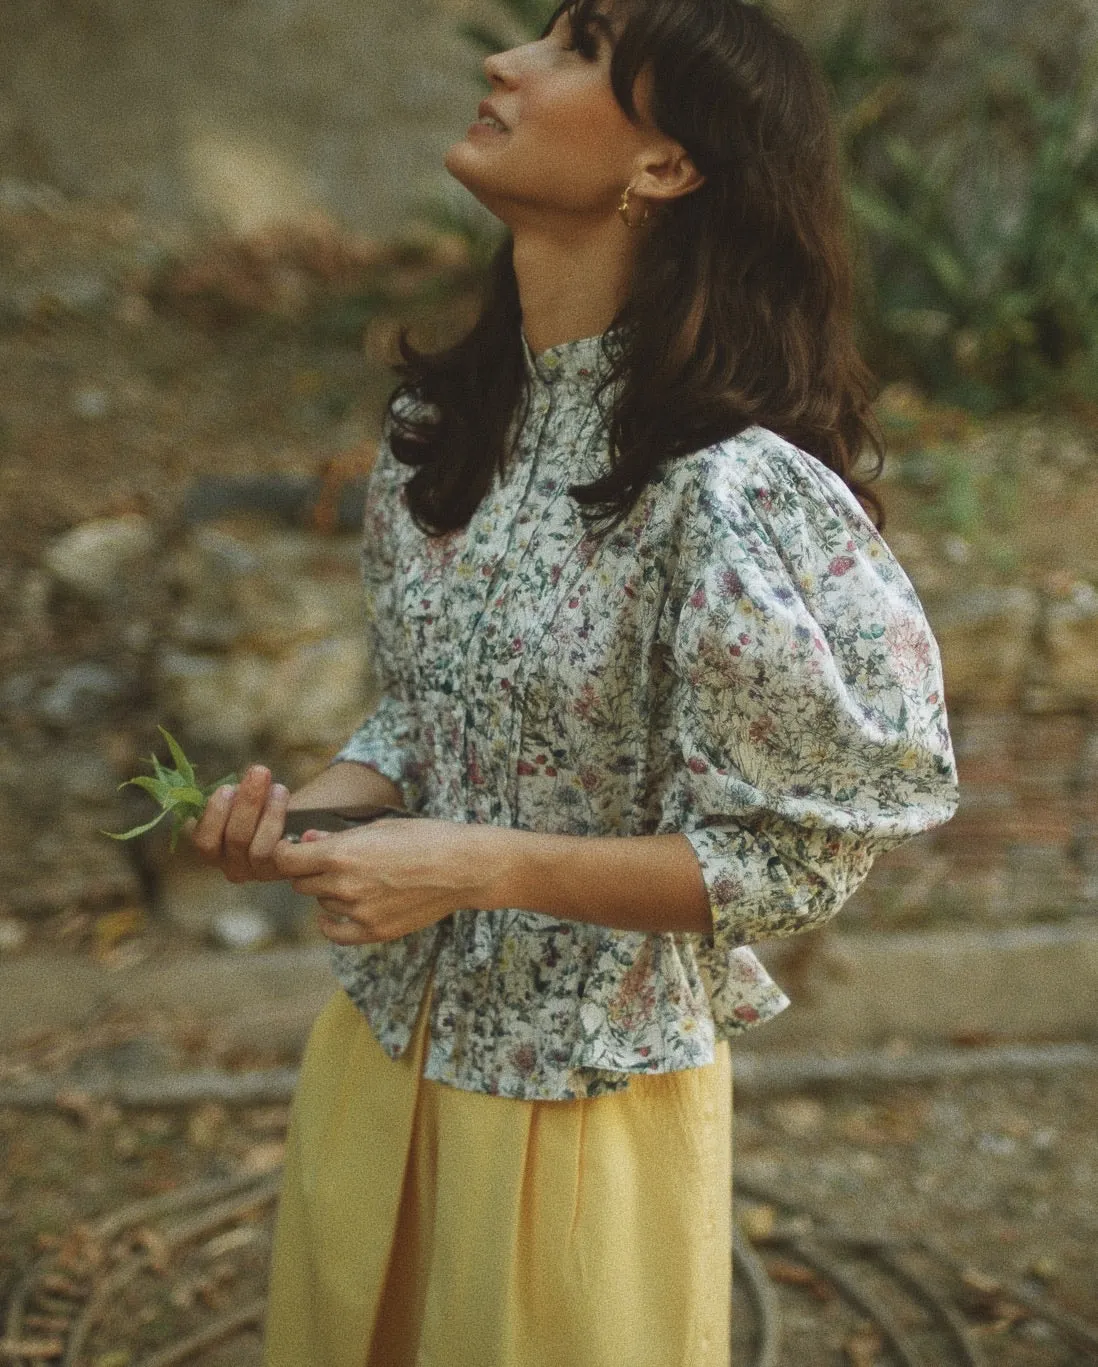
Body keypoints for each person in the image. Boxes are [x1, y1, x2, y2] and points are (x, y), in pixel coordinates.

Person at [191, 0, 959, 1362]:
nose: (505, 63)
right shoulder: (445, 428)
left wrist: (476, 865)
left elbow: (796, 854)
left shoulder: (728, 490)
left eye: (575, 50)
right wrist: (307, 822)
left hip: (580, 1103)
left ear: (664, 167)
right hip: (379, 1058)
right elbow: (425, 723)